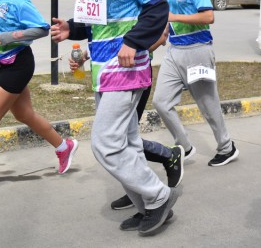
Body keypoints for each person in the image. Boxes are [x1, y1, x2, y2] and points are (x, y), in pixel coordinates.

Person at [51, 0, 178, 235]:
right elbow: (96, 18)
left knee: (104, 143)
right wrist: (72, 29)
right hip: (100, 68)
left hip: (127, 66)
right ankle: (146, 206)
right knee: (128, 141)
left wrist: (133, 42)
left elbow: (157, 7)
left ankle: (158, 196)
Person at [0, 0, 78, 197]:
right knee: (24, 114)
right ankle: (65, 146)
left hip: (17, 64)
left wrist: (13, 36)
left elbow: (42, 28)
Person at [69, 33, 186, 212]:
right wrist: (90, 53)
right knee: (126, 139)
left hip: (132, 74)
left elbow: (161, 35)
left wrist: (131, 48)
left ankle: (158, 177)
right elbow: (111, 34)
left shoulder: (151, 6)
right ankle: (144, 194)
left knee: (118, 140)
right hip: (108, 76)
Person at [153, 0, 239, 167]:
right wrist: (159, 37)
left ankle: (226, 147)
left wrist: (174, 17)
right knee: (160, 102)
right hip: (174, 50)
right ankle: (185, 146)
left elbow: (208, 16)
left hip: (197, 49)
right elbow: (167, 17)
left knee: (208, 105)